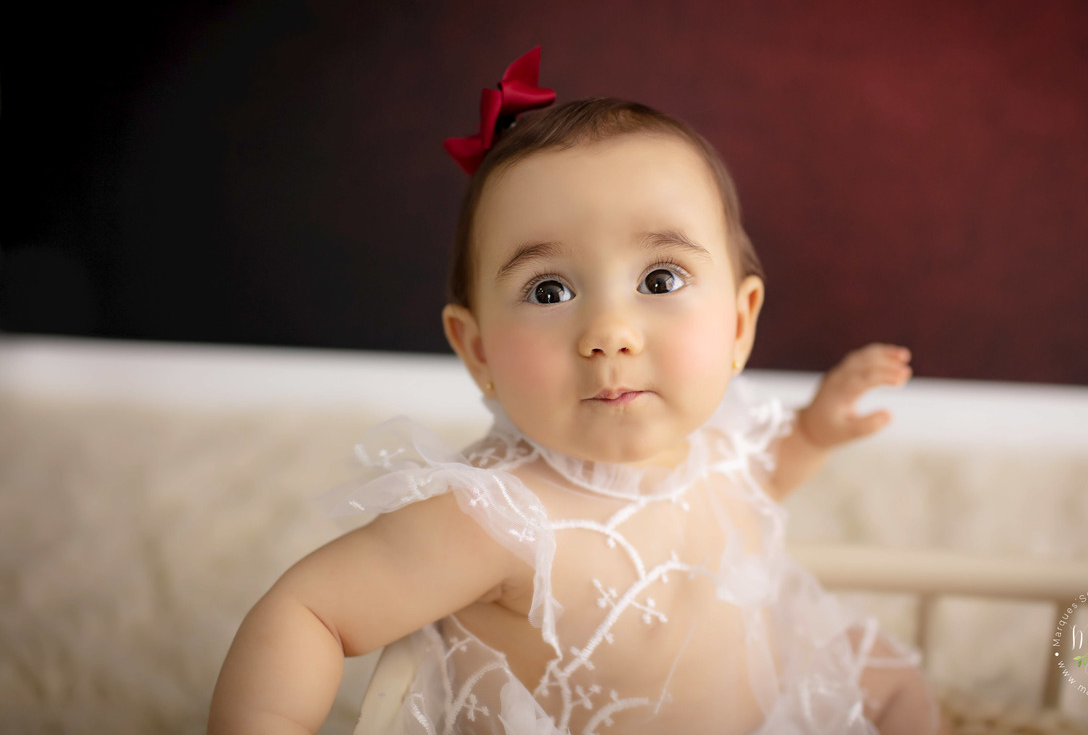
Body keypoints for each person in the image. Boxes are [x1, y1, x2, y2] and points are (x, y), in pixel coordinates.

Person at [208, 48, 950, 734]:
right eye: (550, 288)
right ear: (478, 350)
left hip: (773, 697)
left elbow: (759, 482)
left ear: (738, 323)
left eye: (660, 279)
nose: (610, 331)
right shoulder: (494, 518)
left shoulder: (717, 443)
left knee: (890, 682)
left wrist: (813, 432)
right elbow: (310, 612)